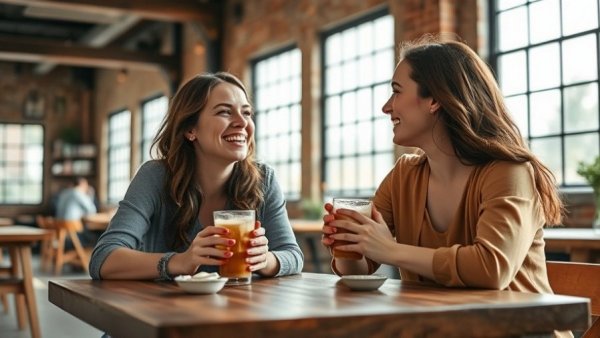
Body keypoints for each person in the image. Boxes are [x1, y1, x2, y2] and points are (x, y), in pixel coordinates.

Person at [321, 35, 564, 294]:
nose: (386, 107)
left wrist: (390, 249)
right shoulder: (404, 175)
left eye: (396, 91)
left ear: (434, 100)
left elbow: (492, 269)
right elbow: (363, 265)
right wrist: (350, 244)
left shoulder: (509, 172)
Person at [89, 72, 303, 280]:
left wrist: (265, 260)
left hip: (239, 311)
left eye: (246, 113)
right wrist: (180, 262)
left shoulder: (263, 179)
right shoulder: (155, 177)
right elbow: (104, 258)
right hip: (167, 313)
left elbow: (292, 255)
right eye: (224, 112)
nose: (242, 122)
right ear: (191, 129)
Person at [55, 177, 99, 248]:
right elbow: (92, 210)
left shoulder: (64, 192)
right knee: (98, 236)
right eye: (86, 185)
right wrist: (91, 194)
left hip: (60, 231)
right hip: (72, 233)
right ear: (82, 184)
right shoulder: (78, 192)